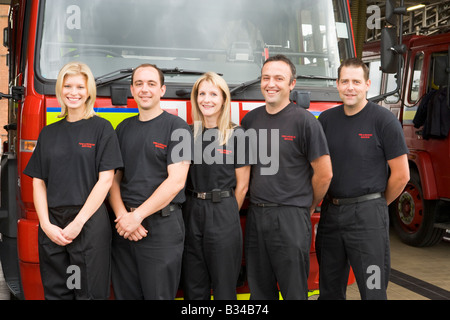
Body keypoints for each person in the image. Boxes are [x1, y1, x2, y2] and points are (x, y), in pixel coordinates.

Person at [23, 62, 123, 299]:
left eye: (80, 86)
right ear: (60, 89)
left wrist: (78, 223)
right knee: (58, 292)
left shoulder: (102, 128)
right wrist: (46, 225)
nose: (73, 92)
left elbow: (106, 180)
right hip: (54, 226)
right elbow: (38, 182)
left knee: (86, 292)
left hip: (87, 224)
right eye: (68, 86)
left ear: (89, 91)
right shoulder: (48, 132)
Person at [316, 58, 410, 300]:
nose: (350, 87)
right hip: (331, 216)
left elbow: (401, 176)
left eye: (356, 82)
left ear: (368, 84)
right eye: (345, 81)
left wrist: (375, 205)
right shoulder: (325, 121)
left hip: (369, 218)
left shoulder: (384, 121)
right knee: (329, 289)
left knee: (373, 289)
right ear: (337, 84)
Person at [241, 54, 333, 300]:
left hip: (291, 216)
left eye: (279, 78)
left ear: (292, 84)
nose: (271, 84)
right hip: (257, 215)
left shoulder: (305, 122)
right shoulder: (250, 120)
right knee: (259, 291)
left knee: (293, 291)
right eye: (266, 78)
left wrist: (307, 205)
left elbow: (324, 174)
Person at [109, 63, 192, 300]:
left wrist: (137, 217)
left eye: (151, 84)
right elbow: (113, 181)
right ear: (132, 91)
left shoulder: (179, 128)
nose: (145, 89)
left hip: (161, 229)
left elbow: (176, 181)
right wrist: (124, 218)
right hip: (124, 229)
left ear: (162, 90)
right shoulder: (122, 128)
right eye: (139, 84)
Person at [182, 72, 250, 300]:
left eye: (213, 94)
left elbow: (242, 186)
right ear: (195, 98)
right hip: (191, 211)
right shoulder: (186, 134)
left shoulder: (236, 134)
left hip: (223, 212)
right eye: (202, 94)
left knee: (224, 287)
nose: (206, 99)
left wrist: (226, 211)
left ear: (223, 99)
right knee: (194, 285)